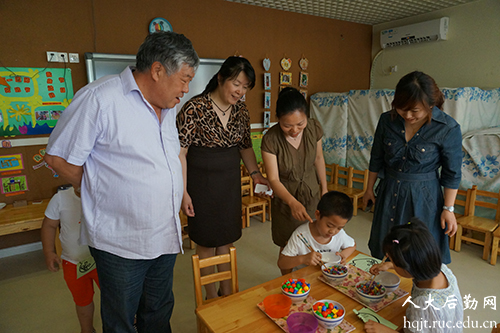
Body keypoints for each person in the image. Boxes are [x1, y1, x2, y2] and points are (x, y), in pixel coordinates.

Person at [44, 31, 199, 333]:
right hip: (121, 240)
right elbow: (58, 157)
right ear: (157, 70)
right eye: (184, 78)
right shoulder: (101, 98)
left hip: (164, 234)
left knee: (158, 310)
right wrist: (91, 187)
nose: (186, 88)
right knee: (121, 319)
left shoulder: (169, 107)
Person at [177, 56, 269, 300]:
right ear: (220, 78)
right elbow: (180, 152)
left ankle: (227, 291)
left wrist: (256, 174)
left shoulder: (241, 110)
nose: (240, 91)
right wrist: (183, 191)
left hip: (229, 185)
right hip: (201, 186)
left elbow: (245, 146)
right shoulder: (194, 108)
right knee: (206, 242)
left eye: (245, 86)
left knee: (226, 241)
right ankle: (210, 295)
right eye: (236, 83)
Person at [363, 71, 462, 265]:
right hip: (389, 190)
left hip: (423, 197)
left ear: (430, 104)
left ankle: (414, 293)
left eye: (415, 110)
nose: (408, 115)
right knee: (384, 245)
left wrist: (448, 209)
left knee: (416, 252)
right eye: (402, 108)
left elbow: (452, 173)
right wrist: (368, 189)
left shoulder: (447, 128)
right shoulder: (386, 120)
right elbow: (376, 158)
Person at [261, 87, 328, 275]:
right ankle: (288, 284)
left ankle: (311, 283)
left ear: (307, 117)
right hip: (286, 198)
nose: (294, 130)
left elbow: (319, 159)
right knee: (288, 243)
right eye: (287, 125)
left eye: (300, 124)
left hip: (312, 193)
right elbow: (273, 178)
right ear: (278, 119)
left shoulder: (313, 128)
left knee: (314, 239)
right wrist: (292, 202)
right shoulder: (271, 139)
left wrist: (324, 189)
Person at [365, 219, 463, 333]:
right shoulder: (442, 269)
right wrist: (390, 265)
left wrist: (384, 330)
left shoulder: (425, 303)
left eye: (393, 260)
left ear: (406, 267)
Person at [41, 186, 100, 333]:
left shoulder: (104, 194)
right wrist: (49, 252)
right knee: (82, 300)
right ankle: (87, 330)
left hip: (104, 262)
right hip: (73, 263)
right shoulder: (60, 198)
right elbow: (49, 225)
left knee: (117, 298)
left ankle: (128, 324)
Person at [278, 191, 356, 271]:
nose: (333, 232)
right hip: (303, 279)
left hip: (326, 275)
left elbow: (352, 246)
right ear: (317, 215)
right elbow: (282, 263)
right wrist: (303, 259)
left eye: (339, 228)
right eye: (329, 226)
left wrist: (343, 255)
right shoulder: (301, 235)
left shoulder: (339, 234)